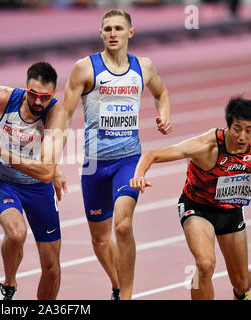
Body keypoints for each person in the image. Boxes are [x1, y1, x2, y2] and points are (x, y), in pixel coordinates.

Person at [60, 9, 172, 300]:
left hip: (128, 161)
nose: (112, 34)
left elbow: (162, 93)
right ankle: (116, 284)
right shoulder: (84, 69)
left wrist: (164, 116)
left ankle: (127, 295)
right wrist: (53, 161)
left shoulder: (143, 67)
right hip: (94, 165)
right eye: (107, 28)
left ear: (130, 33)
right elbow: (63, 115)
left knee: (123, 226)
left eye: (118, 29)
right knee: (100, 240)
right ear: (101, 33)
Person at [130, 96, 251, 300]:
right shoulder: (206, 146)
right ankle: (200, 280)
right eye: (237, 129)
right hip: (197, 208)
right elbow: (152, 155)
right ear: (228, 126)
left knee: (242, 282)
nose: (242, 137)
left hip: (231, 212)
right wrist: (139, 175)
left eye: (249, 130)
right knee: (205, 264)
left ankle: (240, 293)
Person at [0, 61, 67, 300]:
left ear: (53, 94)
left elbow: (46, 173)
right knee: (16, 234)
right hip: (3, 182)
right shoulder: (8, 98)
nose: (38, 102)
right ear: (25, 88)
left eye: (45, 97)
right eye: (33, 95)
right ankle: (8, 286)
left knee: (52, 269)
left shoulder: (57, 114)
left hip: (38, 187)